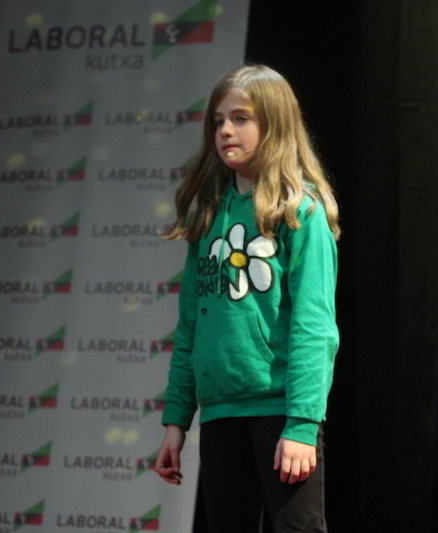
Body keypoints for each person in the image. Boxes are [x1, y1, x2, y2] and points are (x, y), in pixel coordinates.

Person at [153, 64, 340, 532]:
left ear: (274, 124)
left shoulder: (300, 212)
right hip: (221, 413)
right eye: (218, 120)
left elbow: (314, 327)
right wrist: (176, 421)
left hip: (279, 411)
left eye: (241, 118)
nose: (225, 131)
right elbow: (191, 327)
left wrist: (301, 424)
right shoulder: (208, 217)